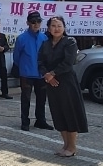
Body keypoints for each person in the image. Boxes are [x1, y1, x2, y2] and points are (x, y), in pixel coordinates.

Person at [37, 16, 89, 157]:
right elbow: (40, 61)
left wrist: (52, 74)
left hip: (66, 82)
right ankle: (65, 145)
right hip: (51, 83)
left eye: (59, 25)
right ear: (48, 28)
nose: (56, 28)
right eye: (53, 26)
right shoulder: (46, 43)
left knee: (70, 112)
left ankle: (72, 147)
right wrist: (46, 75)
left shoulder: (70, 42)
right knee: (58, 113)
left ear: (64, 27)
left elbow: (68, 62)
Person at [14, 11, 51, 131]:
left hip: (41, 73)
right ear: (28, 23)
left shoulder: (44, 37)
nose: (36, 24)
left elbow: (47, 55)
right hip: (26, 73)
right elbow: (16, 57)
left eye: (38, 21)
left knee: (41, 98)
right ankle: (25, 122)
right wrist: (24, 67)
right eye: (33, 22)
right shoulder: (21, 38)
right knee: (25, 99)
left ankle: (40, 120)